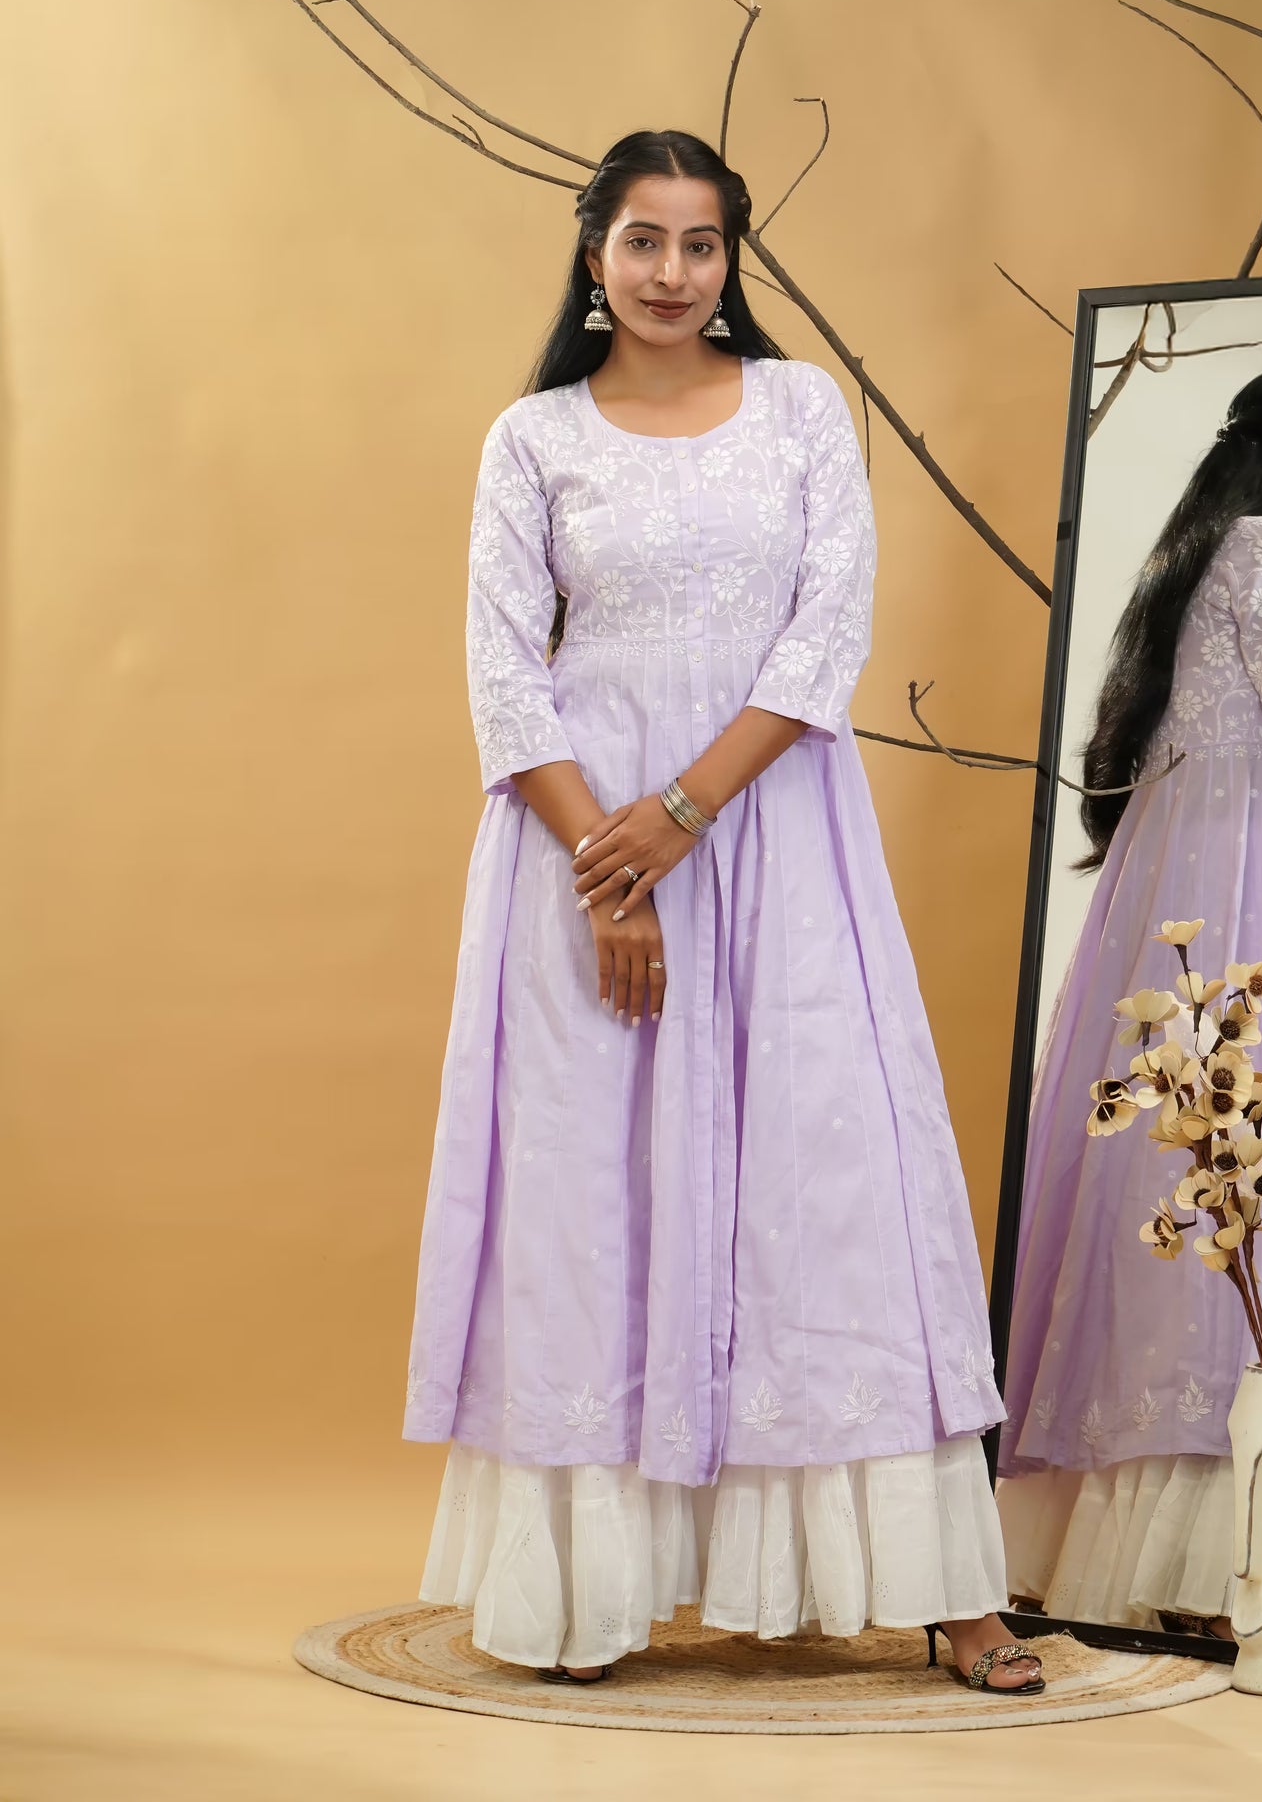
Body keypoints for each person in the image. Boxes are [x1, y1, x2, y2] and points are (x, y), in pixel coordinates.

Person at [403, 129, 1041, 1694]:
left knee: (833, 1192)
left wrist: (680, 818)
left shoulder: (804, 409)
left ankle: (945, 1591)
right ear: (594, 254)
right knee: (592, 1203)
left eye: (700, 244)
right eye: (644, 241)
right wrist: (611, 871)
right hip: (576, 861)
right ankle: (585, 1594)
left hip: (774, 843)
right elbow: (503, 674)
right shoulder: (532, 438)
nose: (672, 273)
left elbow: (825, 640)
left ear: (729, 260)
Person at [997, 365, 1262, 1632]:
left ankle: (1073, 1545)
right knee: (1229, 1180)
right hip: (1239, 889)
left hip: (1172, 888)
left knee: (1153, 1177)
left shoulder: (1194, 561)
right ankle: (1199, 1567)